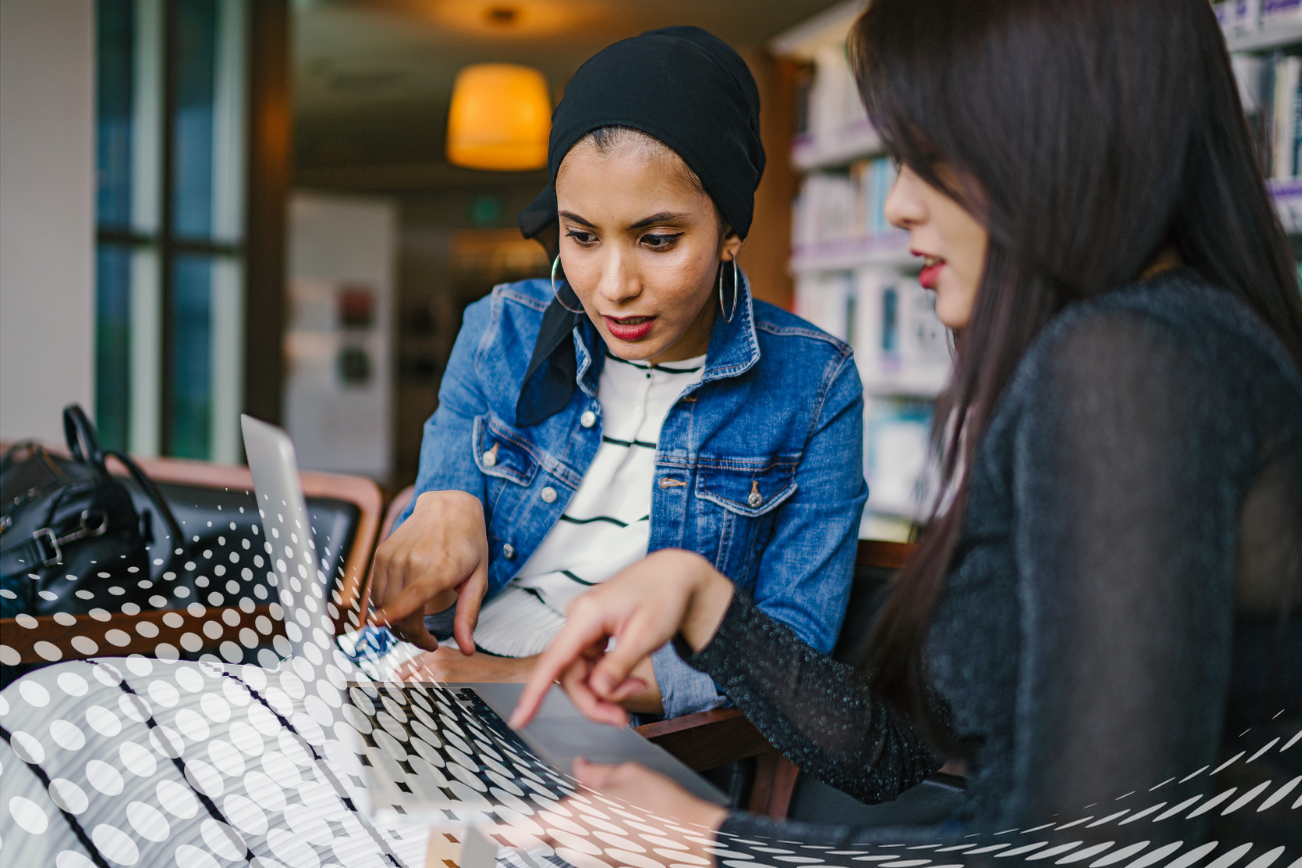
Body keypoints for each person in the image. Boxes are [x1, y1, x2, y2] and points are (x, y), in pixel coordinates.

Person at [512, 0, 1302, 853]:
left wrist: (711, 842)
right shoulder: (1158, 345)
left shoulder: (1128, 365)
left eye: (929, 157)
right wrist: (706, 607)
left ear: (1060, 132)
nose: (897, 206)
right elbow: (893, 758)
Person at [365, 27, 869, 719]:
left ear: (730, 231)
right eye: (582, 236)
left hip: (612, 727)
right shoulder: (502, 325)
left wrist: (525, 675)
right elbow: (447, 454)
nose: (613, 286)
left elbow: (790, 653)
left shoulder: (815, 386)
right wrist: (443, 497)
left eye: (657, 240)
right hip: (442, 675)